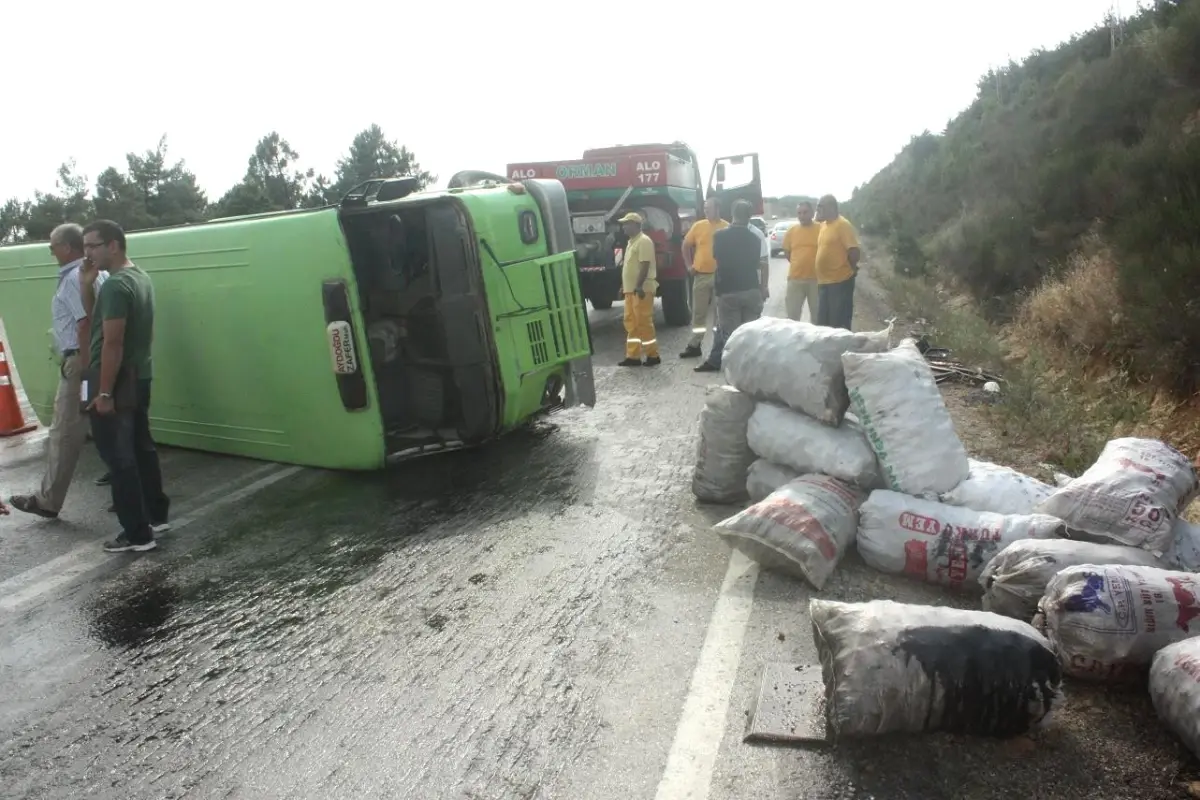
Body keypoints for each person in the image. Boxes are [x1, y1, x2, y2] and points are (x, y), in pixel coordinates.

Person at [8, 224, 109, 519]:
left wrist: (84, 371)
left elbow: (85, 323)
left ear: (67, 247)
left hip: (81, 363)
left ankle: (48, 501)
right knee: (102, 419)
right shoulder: (97, 273)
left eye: (52, 247)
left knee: (66, 430)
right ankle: (127, 482)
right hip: (94, 361)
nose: (51, 252)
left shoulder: (75, 279)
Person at [81, 219, 170, 553]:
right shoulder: (137, 277)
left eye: (92, 245)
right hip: (138, 376)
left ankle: (136, 533)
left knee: (118, 459)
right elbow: (99, 325)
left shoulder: (117, 285)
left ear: (113, 245)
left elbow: (112, 343)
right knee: (142, 450)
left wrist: (103, 393)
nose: (87, 253)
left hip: (113, 379)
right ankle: (157, 517)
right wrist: (86, 286)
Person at [694, 200, 768, 373]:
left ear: (732, 214)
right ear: (750, 216)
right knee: (750, 334)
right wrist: (763, 286)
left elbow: (717, 258)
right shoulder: (755, 238)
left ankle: (736, 373)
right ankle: (751, 369)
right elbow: (760, 263)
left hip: (728, 292)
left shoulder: (720, 236)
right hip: (751, 290)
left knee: (731, 336)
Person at [679, 198, 728, 359]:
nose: (706, 211)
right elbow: (686, 245)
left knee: (718, 314)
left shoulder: (726, 227)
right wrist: (689, 266)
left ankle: (718, 347)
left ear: (718, 208)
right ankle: (695, 345)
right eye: (705, 208)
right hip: (701, 276)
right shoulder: (698, 226)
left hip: (720, 277)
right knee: (699, 313)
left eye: (709, 208)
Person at [616, 212, 660, 367]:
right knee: (631, 323)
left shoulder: (644, 241)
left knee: (643, 322)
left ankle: (652, 355)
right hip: (631, 290)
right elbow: (630, 267)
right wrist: (625, 286)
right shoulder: (631, 242)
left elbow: (644, 264)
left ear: (636, 225)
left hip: (641, 289)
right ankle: (633, 356)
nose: (624, 227)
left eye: (627, 223)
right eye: (623, 224)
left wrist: (638, 285)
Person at [814, 194, 861, 330]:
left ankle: (842, 350)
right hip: (824, 283)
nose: (818, 210)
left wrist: (850, 268)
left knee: (838, 324)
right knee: (823, 324)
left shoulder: (842, 225)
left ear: (831, 207)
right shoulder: (824, 225)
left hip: (839, 282)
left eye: (820, 206)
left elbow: (854, 252)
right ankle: (828, 351)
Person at [781, 202, 820, 322]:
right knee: (792, 318)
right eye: (799, 213)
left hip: (817, 281)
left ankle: (816, 340)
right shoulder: (791, 231)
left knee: (818, 317)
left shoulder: (821, 229)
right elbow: (788, 254)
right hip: (796, 280)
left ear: (812, 213)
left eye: (805, 212)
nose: (802, 216)